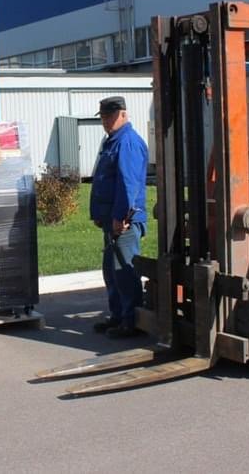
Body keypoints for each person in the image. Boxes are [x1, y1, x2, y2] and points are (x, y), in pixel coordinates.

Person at [89, 96, 149, 339]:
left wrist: (120, 217)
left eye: (110, 116)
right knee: (111, 271)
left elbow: (128, 184)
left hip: (124, 222)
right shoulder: (113, 141)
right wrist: (100, 215)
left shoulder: (128, 142)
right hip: (111, 220)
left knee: (124, 271)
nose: (106, 121)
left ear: (123, 114)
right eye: (103, 116)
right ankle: (118, 316)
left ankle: (131, 321)